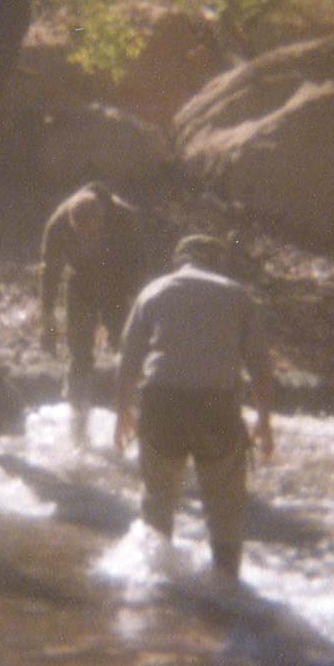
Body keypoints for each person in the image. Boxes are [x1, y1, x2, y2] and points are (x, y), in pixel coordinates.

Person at [116, 234, 275, 583]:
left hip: (161, 405)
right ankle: (227, 586)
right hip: (216, 407)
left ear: (178, 261)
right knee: (225, 505)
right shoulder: (237, 295)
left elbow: (129, 361)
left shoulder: (153, 291)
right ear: (216, 261)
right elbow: (260, 368)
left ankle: (151, 591)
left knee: (158, 499)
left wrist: (123, 411)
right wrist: (264, 421)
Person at [40, 181, 145, 445]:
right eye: (80, 233)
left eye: (91, 233)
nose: (86, 238)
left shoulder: (125, 217)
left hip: (118, 283)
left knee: (128, 348)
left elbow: (139, 263)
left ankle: (137, 417)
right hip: (80, 283)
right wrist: (47, 316)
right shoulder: (59, 223)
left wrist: (136, 298)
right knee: (79, 354)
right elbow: (50, 270)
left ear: (102, 219)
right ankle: (78, 427)